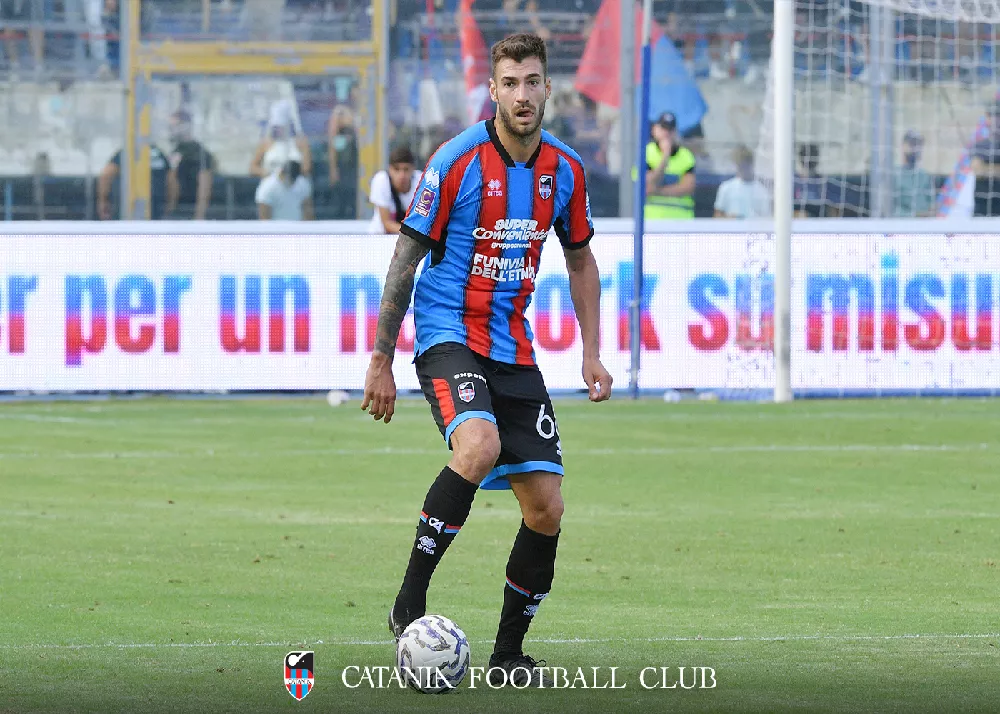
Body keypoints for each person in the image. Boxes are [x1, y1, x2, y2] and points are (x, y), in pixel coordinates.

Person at [361, 32, 612, 688]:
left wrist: (592, 350)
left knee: (547, 507)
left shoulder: (565, 169)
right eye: (511, 83)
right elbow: (406, 256)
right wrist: (382, 357)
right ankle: (409, 602)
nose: (523, 95)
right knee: (477, 446)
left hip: (513, 348)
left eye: (533, 82)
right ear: (493, 91)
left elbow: (581, 257)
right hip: (448, 334)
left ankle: (507, 654)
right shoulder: (456, 161)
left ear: (546, 88)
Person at [643, 112, 696, 220]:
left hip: (681, 221)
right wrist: (665, 157)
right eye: (663, 129)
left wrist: (658, 191)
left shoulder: (686, 156)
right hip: (652, 221)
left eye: (670, 130)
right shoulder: (646, 153)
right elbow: (648, 185)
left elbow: (687, 187)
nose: (667, 133)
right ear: (655, 130)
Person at [97, 145, 170, 220]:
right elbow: (172, 182)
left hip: (125, 207)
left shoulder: (126, 153)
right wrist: (171, 205)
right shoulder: (158, 154)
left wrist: (103, 200)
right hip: (156, 207)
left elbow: (106, 175)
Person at [165, 110, 215, 220]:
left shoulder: (200, 153)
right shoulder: (175, 152)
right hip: (176, 211)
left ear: (186, 126)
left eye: (176, 125)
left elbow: (204, 185)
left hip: (191, 210)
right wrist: (169, 211)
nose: (172, 130)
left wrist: (199, 216)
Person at [250, 98, 312, 178]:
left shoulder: (301, 142)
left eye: (281, 127)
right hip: (273, 183)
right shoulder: (266, 142)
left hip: (295, 182)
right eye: (276, 127)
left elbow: (307, 168)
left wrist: (288, 174)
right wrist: (268, 173)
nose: (278, 130)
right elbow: (252, 168)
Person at [367, 145, 420, 234]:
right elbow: (387, 223)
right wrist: (415, 234)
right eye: (396, 169)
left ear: (413, 169)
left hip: (411, 240)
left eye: (406, 169)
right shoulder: (381, 180)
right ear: (390, 169)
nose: (401, 175)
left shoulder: (422, 181)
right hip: (381, 237)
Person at [714, 145, 771, 219]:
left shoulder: (762, 191)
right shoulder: (726, 188)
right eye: (740, 166)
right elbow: (717, 216)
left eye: (746, 165)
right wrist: (728, 219)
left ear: (752, 165)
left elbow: (767, 219)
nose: (743, 169)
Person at [893, 130, 934, 218]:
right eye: (912, 145)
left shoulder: (924, 176)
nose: (916, 149)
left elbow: (931, 205)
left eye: (919, 145)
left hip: (926, 227)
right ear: (903, 146)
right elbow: (890, 210)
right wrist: (915, 216)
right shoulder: (894, 175)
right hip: (902, 228)